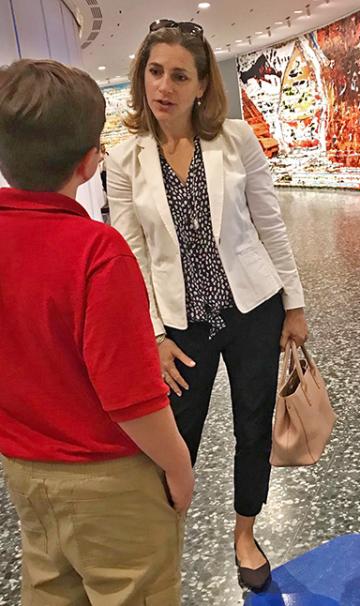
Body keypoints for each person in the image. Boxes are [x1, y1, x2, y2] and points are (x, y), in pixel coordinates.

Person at [107, 19, 308, 591]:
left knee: (252, 426)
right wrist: (152, 336)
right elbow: (132, 258)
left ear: (201, 86)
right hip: (179, 326)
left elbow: (271, 224)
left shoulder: (236, 141)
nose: (163, 86)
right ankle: (164, 537)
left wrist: (295, 305)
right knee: (177, 436)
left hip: (252, 309)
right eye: (154, 71)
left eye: (179, 75)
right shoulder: (126, 160)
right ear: (141, 74)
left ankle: (246, 533)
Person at [0, 59, 193, 606]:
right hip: (109, 481)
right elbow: (129, 397)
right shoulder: (96, 251)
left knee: (49, 588)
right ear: (89, 163)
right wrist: (178, 466)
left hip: (26, 472)